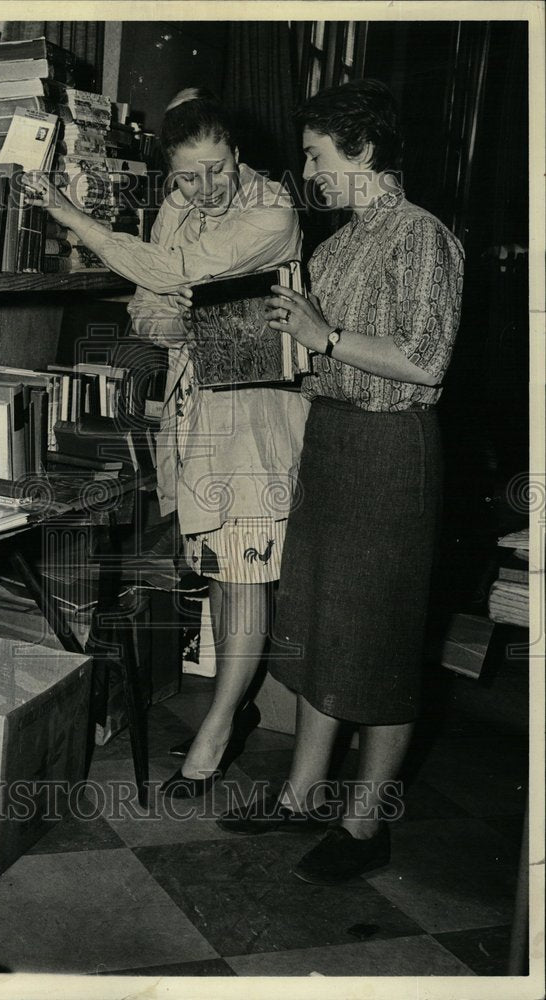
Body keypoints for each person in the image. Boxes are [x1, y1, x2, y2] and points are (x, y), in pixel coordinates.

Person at [216, 79, 464, 884]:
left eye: (319, 155)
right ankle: (300, 798)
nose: (309, 171)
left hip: (392, 452)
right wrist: (238, 338)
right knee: (323, 629)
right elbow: (312, 357)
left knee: (380, 644)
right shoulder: (334, 245)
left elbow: (424, 364)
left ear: (363, 149)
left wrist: (323, 333)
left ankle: (364, 826)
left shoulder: (422, 238)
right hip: (331, 443)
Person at [29, 88, 310, 797]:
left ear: (238, 157)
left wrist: (69, 214)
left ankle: (213, 739)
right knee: (219, 574)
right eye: (189, 176)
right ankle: (231, 709)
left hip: (255, 422)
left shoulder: (272, 210)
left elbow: (162, 272)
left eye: (217, 170)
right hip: (193, 413)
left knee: (245, 581)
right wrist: (178, 322)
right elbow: (147, 311)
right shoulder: (179, 206)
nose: (206, 188)